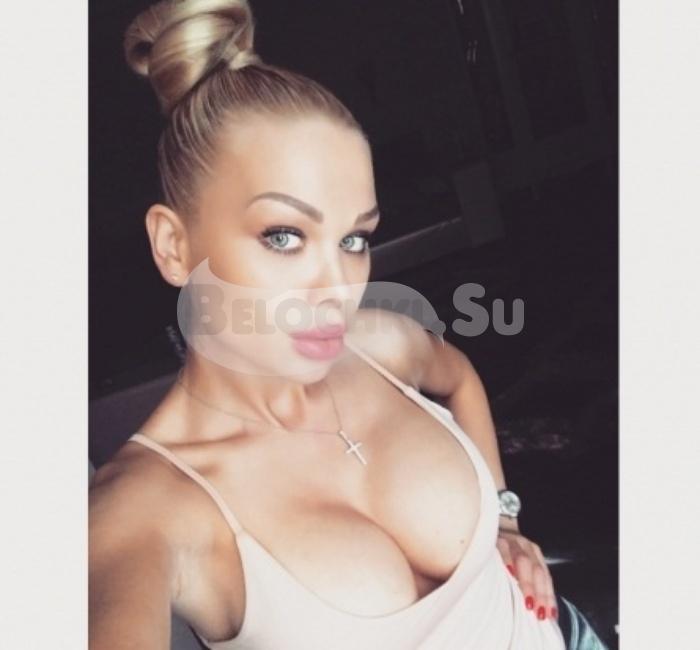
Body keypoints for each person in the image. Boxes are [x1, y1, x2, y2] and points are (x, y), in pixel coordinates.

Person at [88, 1, 608, 648]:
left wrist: (504, 519)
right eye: (283, 236)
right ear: (174, 246)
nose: (336, 289)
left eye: (355, 240)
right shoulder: (143, 510)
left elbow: (459, 378)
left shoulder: (375, 343)